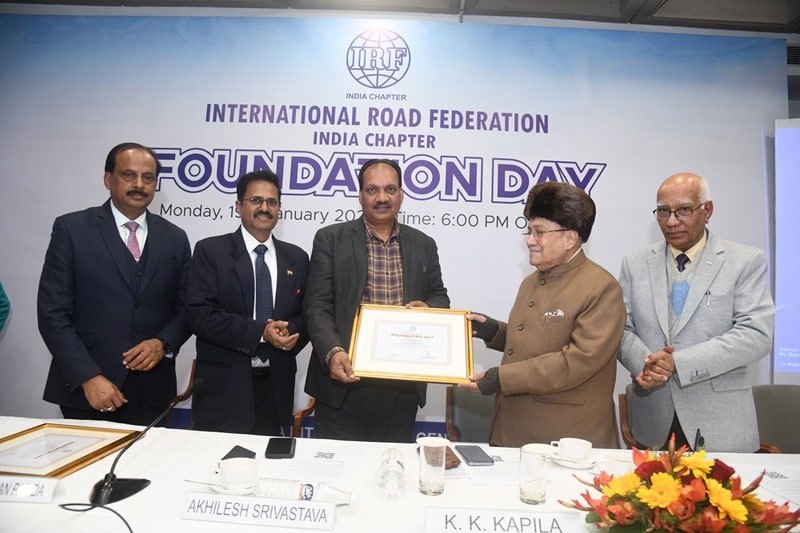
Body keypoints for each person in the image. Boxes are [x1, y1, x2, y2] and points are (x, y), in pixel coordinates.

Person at [618, 172, 774, 452]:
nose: (671, 221)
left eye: (683, 210)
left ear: (708, 210)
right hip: (653, 424)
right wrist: (647, 366)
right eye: (663, 211)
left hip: (721, 426)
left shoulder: (745, 261)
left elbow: (755, 335)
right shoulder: (635, 263)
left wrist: (678, 363)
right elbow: (621, 329)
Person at [37, 142, 191, 425]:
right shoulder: (71, 230)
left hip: (152, 393)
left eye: (148, 178)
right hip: (87, 392)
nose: (139, 185)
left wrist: (163, 343)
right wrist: (88, 377)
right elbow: (52, 314)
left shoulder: (175, 238)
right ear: (108, 179)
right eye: (128, 175)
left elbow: (186, 308)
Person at [464, 182, 625, 449]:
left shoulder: (601, 288)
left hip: (566, 442)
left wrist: (502, 378)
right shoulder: (530, 282)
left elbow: (577, 361)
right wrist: (494, 331)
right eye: (529, 231)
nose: (529, 240)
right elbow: (539, 340)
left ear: (570, 238)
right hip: (513, 430)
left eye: (539, 232)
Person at [304, 158, 450, 442]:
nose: (382, 198)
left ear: (401, 195)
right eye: (372, 190)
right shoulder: (330, 239)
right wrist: (333, 351)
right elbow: (317, 306)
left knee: (392, 466)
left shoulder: (424, 244)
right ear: (360, 195)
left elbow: (439, 296)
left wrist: (430, 308)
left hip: (401, 389)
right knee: (339, 466)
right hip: (343, 385)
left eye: (390, 189)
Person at [186, 170, 309, 435]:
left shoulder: (297, 258)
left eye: (272, 202)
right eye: (256, 200)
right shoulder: (211, 252)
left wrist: (288, 332)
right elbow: (200, 315)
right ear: (238, 206)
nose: (264, 208)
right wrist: (261, 332)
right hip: (224, 390)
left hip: (275, 391)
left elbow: (308, 316)